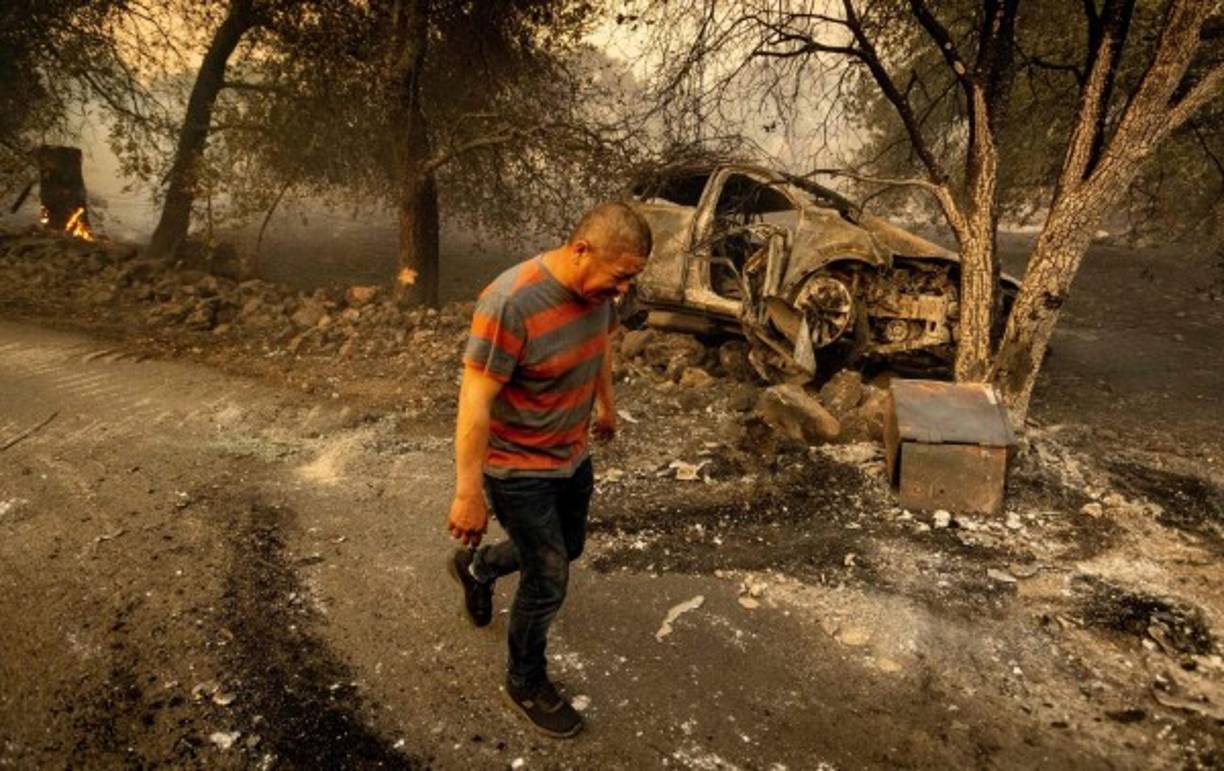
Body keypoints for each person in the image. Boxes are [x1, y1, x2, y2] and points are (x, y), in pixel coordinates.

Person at [446, 201, 651, 738]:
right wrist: (468, 492)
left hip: (571, 454)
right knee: (549, 577)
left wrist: (605, 405)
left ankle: (479, 568)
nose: (623, 291)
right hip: (517, 469)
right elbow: (474, 401)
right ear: (581, 251)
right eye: (621, 276)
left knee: (570, 546)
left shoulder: (598, 294)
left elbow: (599, 346)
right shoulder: (510, 302)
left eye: (632, 279)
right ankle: (525, 680)